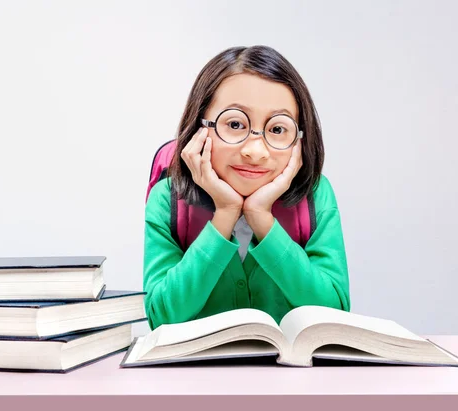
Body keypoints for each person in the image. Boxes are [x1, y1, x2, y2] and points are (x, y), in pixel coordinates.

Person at [143, 45, 350, 330]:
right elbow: (162, 316)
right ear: (199, 128)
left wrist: (262, 219)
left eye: (277, 129)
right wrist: (226, 212)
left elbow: (334, 313)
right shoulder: (168, 199)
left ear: (300, 138)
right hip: (196, 374)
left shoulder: (316, 195)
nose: (255, 151)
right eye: (235, 124)